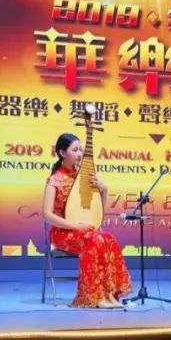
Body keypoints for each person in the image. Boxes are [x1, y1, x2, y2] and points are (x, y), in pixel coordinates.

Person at [43, 132, 132, 308]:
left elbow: (97, 210)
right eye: (75, 150)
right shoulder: (54, 180)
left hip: (84, 230)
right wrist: (75, 226)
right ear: (62, 153)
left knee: (108, 238)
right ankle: (94, 297)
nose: (80, 153)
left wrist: (104, 189)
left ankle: (110, 294)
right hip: (62, 232)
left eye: (81, 149)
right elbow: (47, 214)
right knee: (94, 240)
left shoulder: (84, 177)